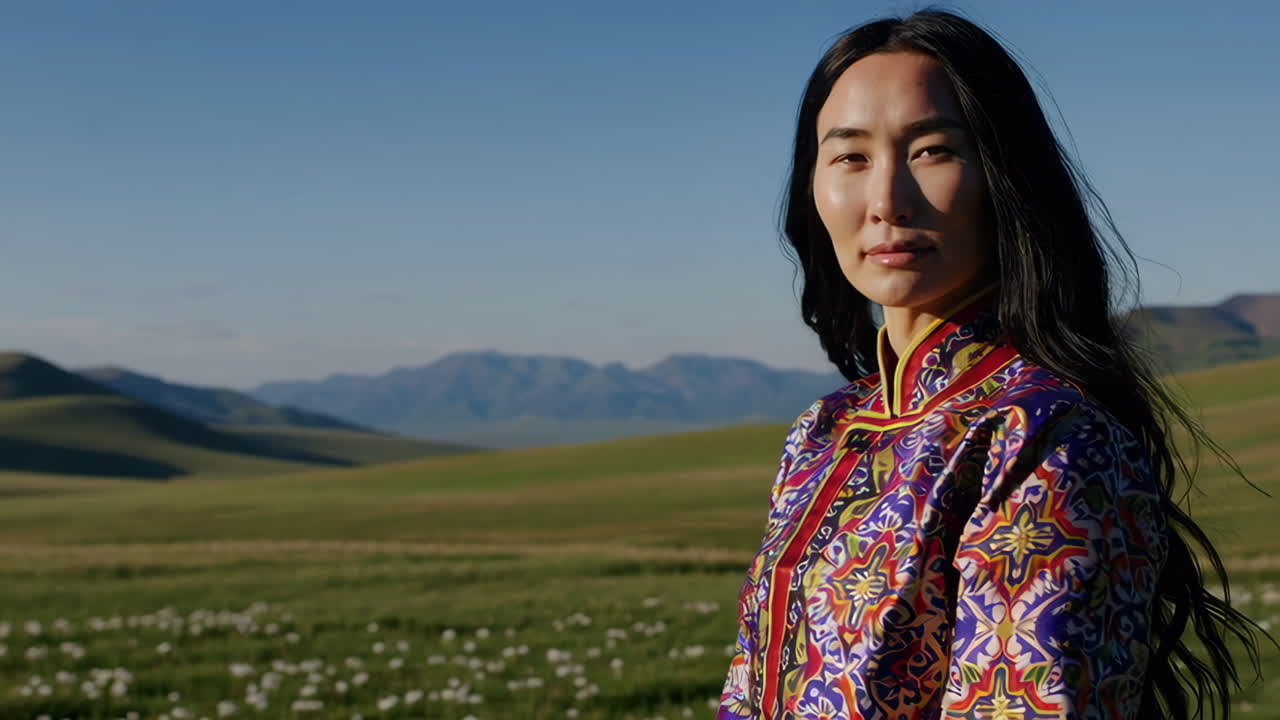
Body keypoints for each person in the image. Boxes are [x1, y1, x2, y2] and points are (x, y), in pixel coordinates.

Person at [715, 9, 1272, 720]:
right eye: (850, 157)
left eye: (933, 150)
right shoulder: (822, 433)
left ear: (1005, 176)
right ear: (813, 189)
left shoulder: (1047, 438)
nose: (886, 200)